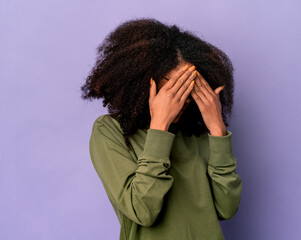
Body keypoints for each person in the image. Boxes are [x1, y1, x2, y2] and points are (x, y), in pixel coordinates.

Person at [80, 17, 243, 240]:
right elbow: (143, 211)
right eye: (174, 83)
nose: (182, 95)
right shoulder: (109, 131)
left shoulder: (195, 134)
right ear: (145, 79)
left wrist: (217, 129)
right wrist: (160, 126)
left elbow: (227, 208)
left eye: (190, 85)